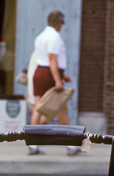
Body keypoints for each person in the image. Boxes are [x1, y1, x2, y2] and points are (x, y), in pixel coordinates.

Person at [29, 11, 81, 156]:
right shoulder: (55, 37)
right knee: (62, 110)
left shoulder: (40, 36)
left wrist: (62, 76)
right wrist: (58, 80)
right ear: (59, 23)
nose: (62, 26)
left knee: (38, 108)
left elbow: (45, 59)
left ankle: (32, 144)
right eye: (62, 23)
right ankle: (71, 145)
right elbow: (52, 59)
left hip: (39, 73)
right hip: (49, 76)